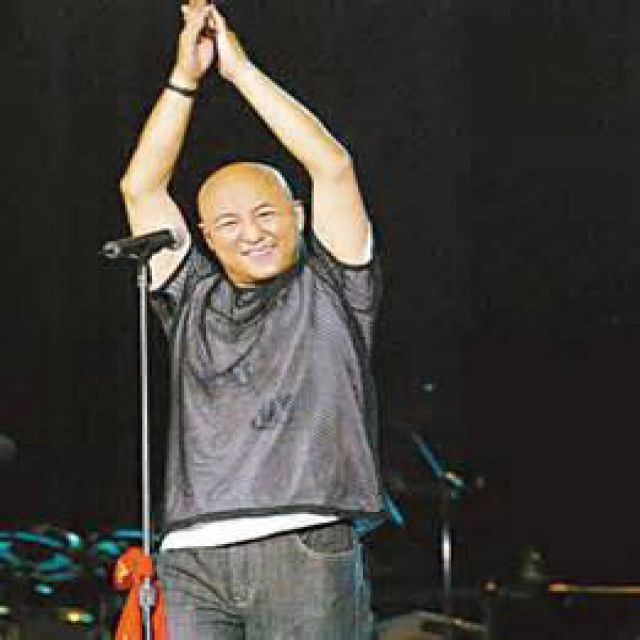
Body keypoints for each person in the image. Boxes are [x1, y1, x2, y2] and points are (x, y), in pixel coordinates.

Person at [119, 2, 385, 637]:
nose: (252, 233)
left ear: (297, 214)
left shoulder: (334, 286)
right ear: (207, 237)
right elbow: (141, 188)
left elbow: (332, 165)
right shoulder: (191, 296)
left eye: (266, 214)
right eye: (230, 223)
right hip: (192, 556)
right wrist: (184, 80)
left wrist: (239, 71)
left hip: (303, 541)